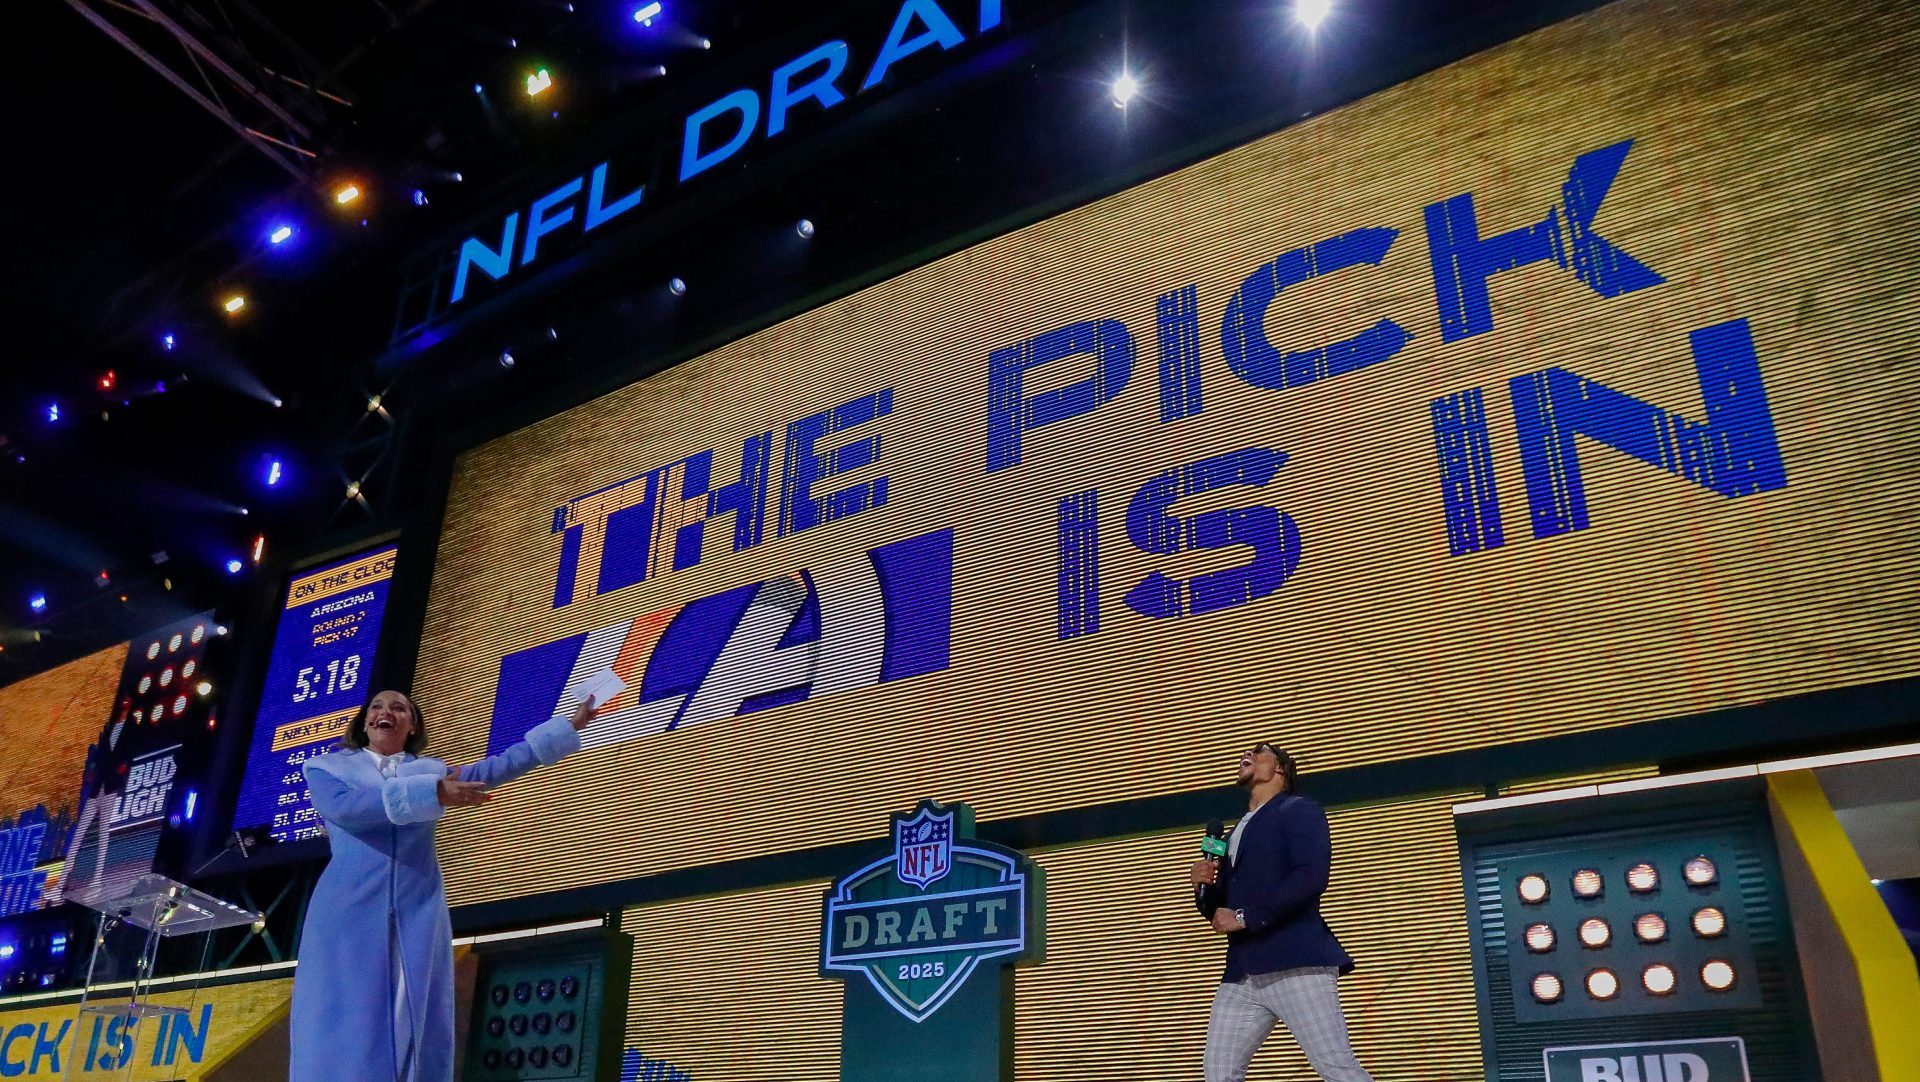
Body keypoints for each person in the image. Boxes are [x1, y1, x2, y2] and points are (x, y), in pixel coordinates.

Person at [289, 688, 602, 1082]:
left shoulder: (428, 769)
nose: (385, 712)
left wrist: (567, 726)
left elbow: (497, 767)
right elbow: (346, 811)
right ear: (365, 720)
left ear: (412, 724)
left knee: (415, 1015)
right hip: (348, 912)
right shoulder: (327, 768)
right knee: (347, 1017)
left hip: (418, 906)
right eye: (377, 707)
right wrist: (432, 792)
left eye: (399, 707)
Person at [1190, 742, 1372, 1082]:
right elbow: (1219, 911)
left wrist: (1243, 916)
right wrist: (1203, 887)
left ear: (1280, 769)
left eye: (1260, 752)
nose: (1248, 753)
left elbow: (1310, 876)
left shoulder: (1298, 809)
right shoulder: (1229, 836)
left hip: (1296, 963)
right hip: (1242, 973)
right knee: (1218, 1073)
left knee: (1338, 1071)